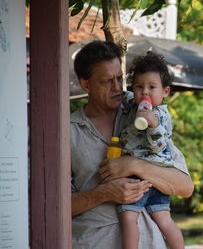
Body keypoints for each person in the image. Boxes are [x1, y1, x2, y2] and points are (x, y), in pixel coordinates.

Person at [70, 40, 193, 249]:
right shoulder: (68, 130)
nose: (117, 87)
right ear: (86, 85)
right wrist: (104, 193)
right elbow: (54, 206)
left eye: (119, 78)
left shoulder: (146, 112)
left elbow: (185, 187)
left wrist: (134, 165)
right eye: (107, 81)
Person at [118, 51, 184, 249]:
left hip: (144, 175)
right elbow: (126, 98)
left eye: (152, 87)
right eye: (139, 86)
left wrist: (153, 124)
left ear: (165, 92)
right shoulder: (134, 105)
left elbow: (159, 145)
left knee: (128, 217)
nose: (144, 93)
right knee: (164, 219)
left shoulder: (160, 116)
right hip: (158, 179)